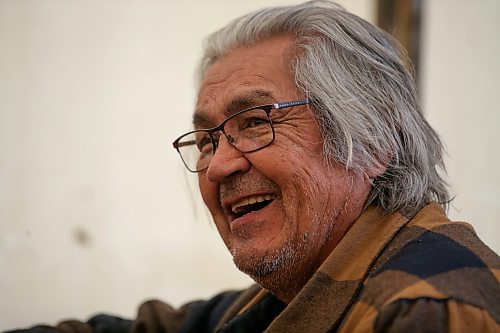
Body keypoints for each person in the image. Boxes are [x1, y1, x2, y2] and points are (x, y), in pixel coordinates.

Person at [9, 1, 499, 332]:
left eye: (255, 122)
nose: (219, 165)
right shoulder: (294, 292)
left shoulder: (428, 310)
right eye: (204, 140)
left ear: (372, 139)